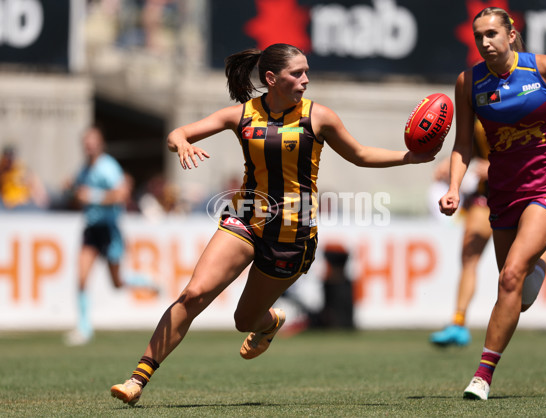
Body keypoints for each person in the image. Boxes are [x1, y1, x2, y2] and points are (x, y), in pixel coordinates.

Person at [110, 43, 440, 406]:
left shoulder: (319, 117)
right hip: (246, 220)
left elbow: (360, 155)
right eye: (297, 73)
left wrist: (408, 157)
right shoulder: (241, 115)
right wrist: (181, 144)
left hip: (292, 237)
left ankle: (267, 323)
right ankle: (137, 379)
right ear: (272, 78)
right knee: (193, 294)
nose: (305, 79)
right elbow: (177, 134)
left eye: (306, 71)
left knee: (243, 320)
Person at [439, 7, 546, 400]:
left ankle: (482, 376)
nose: (485, 42)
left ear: (512, 34)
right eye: (479, 37)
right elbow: (462, 144)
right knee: (521, 297)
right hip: (503, 192)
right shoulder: (469, 82)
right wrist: (455, 188)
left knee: (509, 277)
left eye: (492, 34)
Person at [430, 121, 546, 347]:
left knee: (515, 271)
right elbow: (470, 149)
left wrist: (492, 167)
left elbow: (528, 149)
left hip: (518, 196)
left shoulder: (518, 99)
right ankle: (458, 323)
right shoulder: (474, 99)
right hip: (484, 197)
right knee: (469, 256)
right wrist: (451, 165)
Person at [64, 125, 158, 346]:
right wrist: (71, 190)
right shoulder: (84, 169)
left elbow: (121, 194)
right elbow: (77, 193)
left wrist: (92, 196)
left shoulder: (108, 167)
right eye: (86, 141)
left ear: (100, 143)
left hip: (109, 229)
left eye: (93, 141)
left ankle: (146, 281)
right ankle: (84, 329)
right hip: (92, 229)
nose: (89, 145)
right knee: (81, 278)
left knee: (116, 283)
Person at [0, 145, 48, 210]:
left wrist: (39, 199)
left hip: (23, 204)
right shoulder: (2, 171)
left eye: (12, 157)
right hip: (6, 205)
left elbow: (38, 189)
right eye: (7, 157)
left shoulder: (24, 171)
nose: (10, 161)